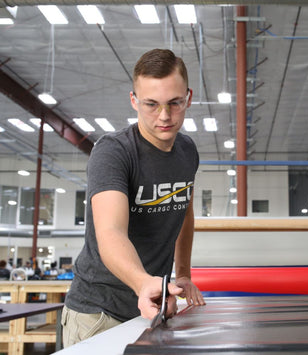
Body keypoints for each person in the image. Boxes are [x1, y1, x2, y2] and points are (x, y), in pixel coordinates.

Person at [62, 48, 206, 347]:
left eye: (174, 103)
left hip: (152, 309)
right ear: (134, 101)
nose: (164, 116)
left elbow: (183, 212)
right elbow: (110, 232)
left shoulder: (187, 150)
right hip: (100, 312)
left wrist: (183, 274)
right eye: (151, 104)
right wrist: (143, 284)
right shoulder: (113, 152)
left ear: (188, 97)